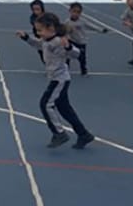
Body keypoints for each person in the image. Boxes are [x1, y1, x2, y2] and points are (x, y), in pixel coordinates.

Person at [17, 13, 95, 149]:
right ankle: (84, 134)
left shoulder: (59, 41)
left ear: (51, 28)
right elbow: (38, 44)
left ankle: (59, 133)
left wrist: (68, 47)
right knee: (65, 109)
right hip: (55, 77)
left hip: (60, 79)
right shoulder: (46, 40)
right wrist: (26, 38)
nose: (38, 33)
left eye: (40, 30)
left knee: (45, 104)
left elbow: (76, 53)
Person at [66, 2, 108, 76]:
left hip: (81, 42)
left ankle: (83, 69)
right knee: (67, 55)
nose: (75, 14)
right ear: (70, 11)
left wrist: (101, 30)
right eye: (74, 11)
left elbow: (91, 26)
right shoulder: (67, 22)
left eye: (78, 12)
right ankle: (65, 69)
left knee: (81, 57)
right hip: (71, 41)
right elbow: (63, 30)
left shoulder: (82, 21)